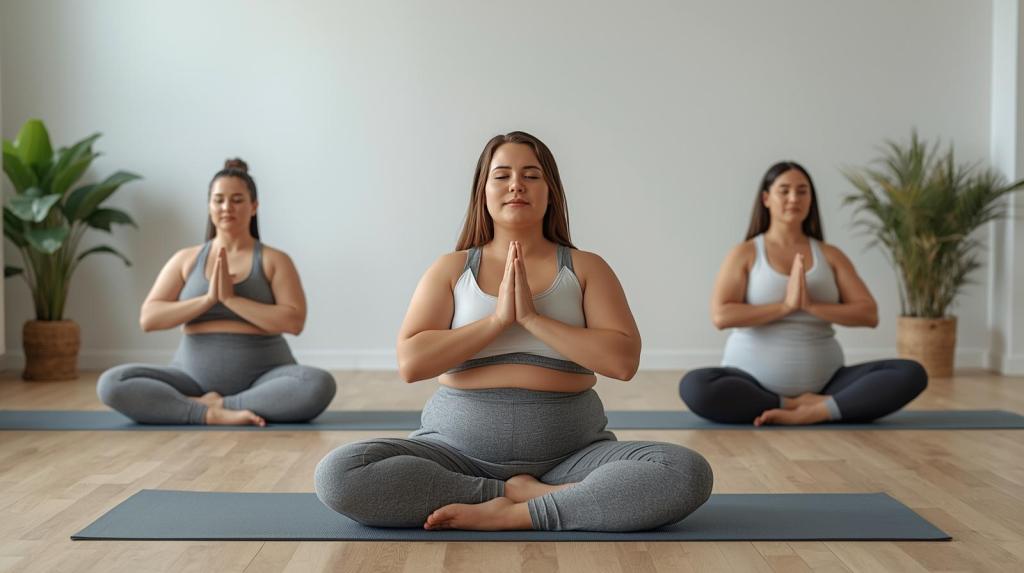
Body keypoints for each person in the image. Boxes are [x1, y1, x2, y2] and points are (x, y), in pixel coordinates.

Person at [314, 132, 712, 531]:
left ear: (551, 191)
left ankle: (521, 511)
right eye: (501, 175)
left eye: (531, 175)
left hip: (573, 455)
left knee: (683, 471)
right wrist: (496, 322)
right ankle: (517, 496)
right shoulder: (451, 269)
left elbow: (623, 362)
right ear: (482, 192)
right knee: (339, 474)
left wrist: (535, 320)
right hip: (453, 454)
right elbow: (412, 363)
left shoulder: (587, 267)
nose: (516, 185)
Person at [679, 161, 927, 426]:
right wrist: (786, 306)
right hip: (749, 382)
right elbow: (722, 315)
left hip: (828, 383)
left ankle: (818, 409)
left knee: (911, 373)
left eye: (802, 191)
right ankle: (796, 406)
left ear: (811, 199)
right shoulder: (746, 253)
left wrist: (810, 305)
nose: (793, 198)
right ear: (766, 198)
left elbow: (868, 313)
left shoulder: (830, 255)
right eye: (784, 190)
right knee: (695, 387)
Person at [97, 158, 336, 426]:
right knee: (112, 383)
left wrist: (232, 300)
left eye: (237, 200)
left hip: (267, 376)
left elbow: (293, 322)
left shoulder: (274, 260)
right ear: (209, 205)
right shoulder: (186, 259)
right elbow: (149, 318)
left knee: (317, 384)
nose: (226, 207)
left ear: (254, 206)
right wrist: (208, 299)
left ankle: (218, 406)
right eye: (219, 200)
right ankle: (207, 413)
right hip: (190, 378)